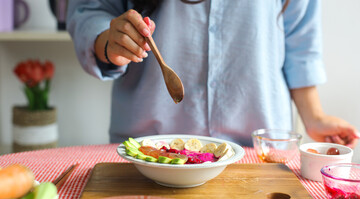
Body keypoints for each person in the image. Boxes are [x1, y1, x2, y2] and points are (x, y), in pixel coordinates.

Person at [67, 0, 359, 148]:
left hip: (258, 154)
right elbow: (91, 10)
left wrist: (315, 116)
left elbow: (298, 40)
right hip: (148, 150)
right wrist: (110, 42)